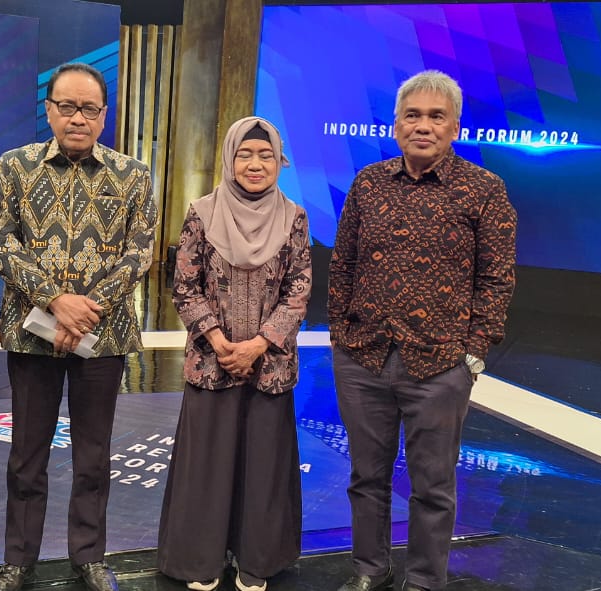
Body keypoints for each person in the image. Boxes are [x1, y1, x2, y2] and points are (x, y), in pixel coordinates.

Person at [328, 70, 517, 591]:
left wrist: (473, 352)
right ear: (396, 125)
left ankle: (425, 581)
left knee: (433, 486)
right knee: (366, 477)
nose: (423, 126)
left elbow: (496, 278)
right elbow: (343, 263)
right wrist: (341, 333)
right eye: (412, 115)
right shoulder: (368, 183)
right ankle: (370, 571)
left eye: (437, 116)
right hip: (363, 358)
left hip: (439, 365)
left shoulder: (484, 190)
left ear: (455, 127)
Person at [0, 62, 158, 591]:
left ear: (104, 115)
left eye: (88, 108)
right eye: (67, 106)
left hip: (102, 340)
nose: (77, 117)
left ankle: (89, 556)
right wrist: (56, 301)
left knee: (93, 456)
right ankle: (18, 560)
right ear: (49, 110)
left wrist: (86, 309)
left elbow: (140, 252)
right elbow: (1, 243)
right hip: (32, 335)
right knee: (26, 455)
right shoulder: (15, 167)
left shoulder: (132, 174)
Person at [157, 117, 312, 591]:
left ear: (279, 161)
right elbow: (185, 285)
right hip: (212, 362)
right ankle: (200, 559)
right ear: (229, 158)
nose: (255, 164)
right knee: (207, 466)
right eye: (245, 154)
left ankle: (255, 561)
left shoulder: (294, 217)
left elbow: (299, 290)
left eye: (266, 155)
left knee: (263, 467)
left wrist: (260, 343)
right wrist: (219, 342)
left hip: (270, 365)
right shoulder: (202, 213)